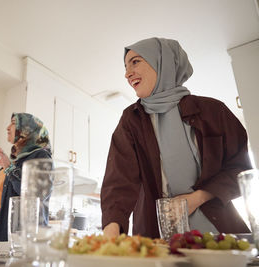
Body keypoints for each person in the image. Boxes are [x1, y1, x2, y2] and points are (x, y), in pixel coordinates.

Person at [101, 37, 251, 239]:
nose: (127, 74)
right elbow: (119, 181)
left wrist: (196, 199)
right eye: (126, 67)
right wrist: (111, 232)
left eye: (135, 61)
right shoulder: (132, 120)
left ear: (162, 62)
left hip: (220, 235)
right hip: (157, 239)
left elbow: (240, 170)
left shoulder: (213, 111)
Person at [0, 113, 51, 241]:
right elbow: (1, 197)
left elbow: (35, 196)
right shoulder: (14, 160)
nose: (8, 127)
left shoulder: (41, 157)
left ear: (28, 130)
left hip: (12, 241)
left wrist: (10, 169)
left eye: (14, 123)